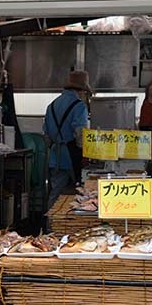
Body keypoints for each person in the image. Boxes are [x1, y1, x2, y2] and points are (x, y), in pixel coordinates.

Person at [43, 71, 91, 208]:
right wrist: (85, 155)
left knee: (56, 194)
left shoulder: (51, 106)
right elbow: (80, 135)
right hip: (71, 156)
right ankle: (70, 225)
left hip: (54, 157)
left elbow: (46, 135)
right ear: (82, 90)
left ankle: (49, 225)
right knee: (80, 195)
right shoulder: (79, 106)